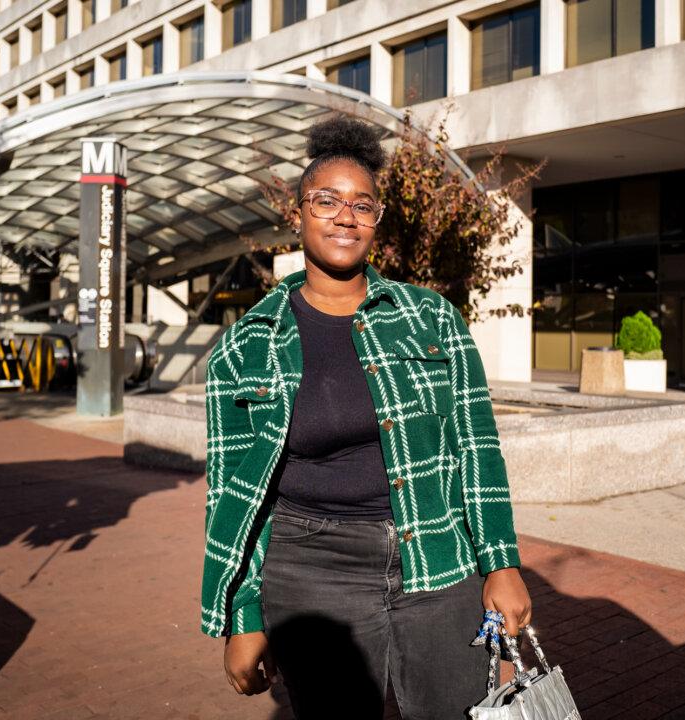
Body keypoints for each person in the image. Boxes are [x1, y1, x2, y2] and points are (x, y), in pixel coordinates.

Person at [200, 116, 531, 719]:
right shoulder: (245, 345)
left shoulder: (431, 317)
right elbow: (232, 493)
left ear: (377, 219)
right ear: (296, 214)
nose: (345, 216)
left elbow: (476, 448)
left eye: (362, 204)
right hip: (311, 570)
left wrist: (501, 564)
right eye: (326, 200)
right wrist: (242, 616)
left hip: (437, 556)